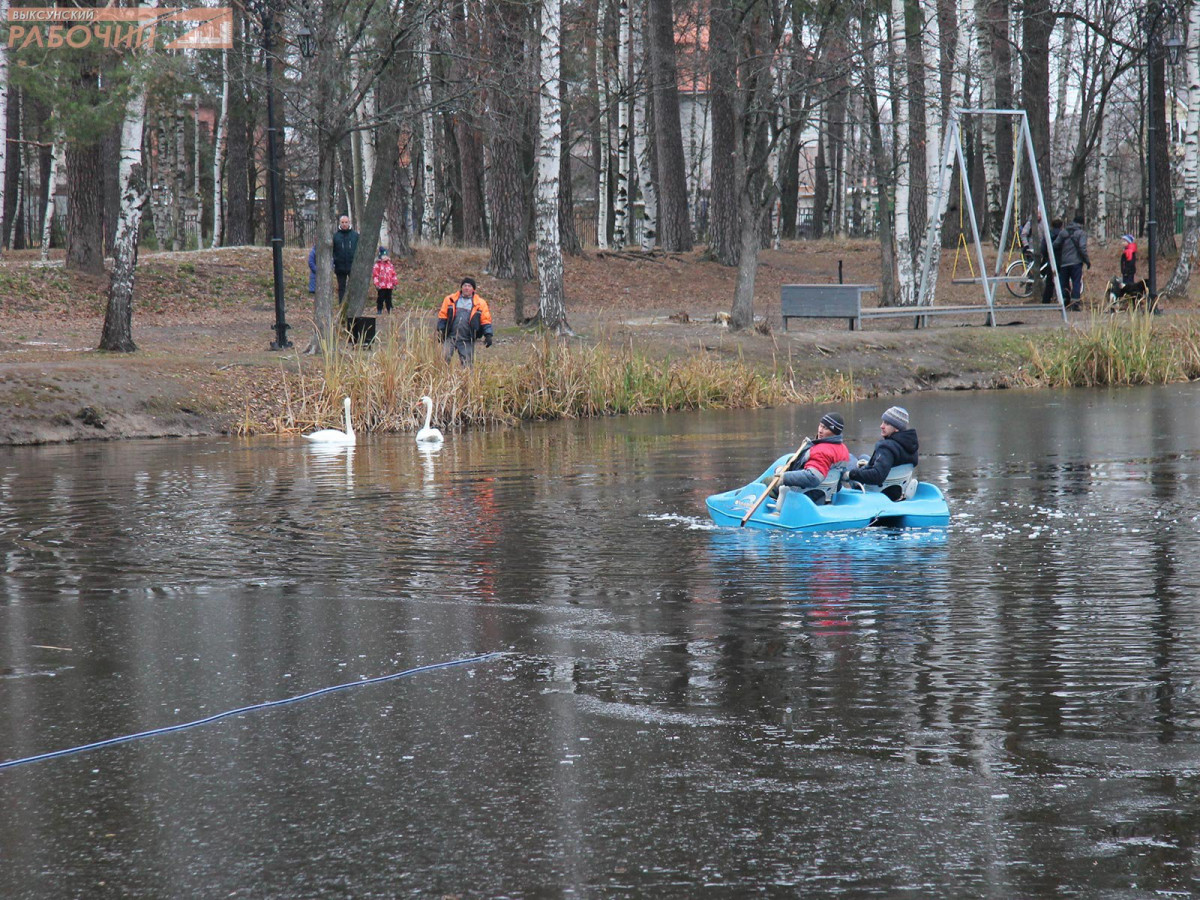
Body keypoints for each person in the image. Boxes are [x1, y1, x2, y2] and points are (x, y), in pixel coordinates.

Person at [772, 412, 852, 500]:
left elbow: (813, 477)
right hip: (826, 494)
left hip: (807, 494)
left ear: (834, 432)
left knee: (766, 482)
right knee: (791, 460)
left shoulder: (821, 451)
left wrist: (784, 477)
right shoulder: (843, 449)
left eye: (826, 428)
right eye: (821, 425)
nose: (820, 430)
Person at [847, 406, 919, 488]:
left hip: (880, 490)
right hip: (899, 488)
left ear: (896, 428)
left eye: (887, 424)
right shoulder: (912, 445)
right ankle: (864, 466)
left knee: (849, 458)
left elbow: (878, 476)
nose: (881, 426)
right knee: (863, 457)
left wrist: (851, 474)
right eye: (883, 422)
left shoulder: (886, 448)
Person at [437, 277, 494, 366]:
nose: (467, 288)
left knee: (467, 365)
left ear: (473, 289)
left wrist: (488, 335)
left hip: (467, 339)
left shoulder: (480, 303)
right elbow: (443, 316)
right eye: (465, 285)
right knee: (443, 360)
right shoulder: (450, 299)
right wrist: (441, 330)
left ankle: (467, 380)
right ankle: (442, 378)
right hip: (451, 337)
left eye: (469, 286)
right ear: (461, 287)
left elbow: (485, 320)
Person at [1054, 214, 1091, 311]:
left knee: (1064, 283)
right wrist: (1087, 261)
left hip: (1064, 262)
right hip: (1076, 262)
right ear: (1081, 224)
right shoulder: (1081, 233)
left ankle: (1064, 302)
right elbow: (1082, 248)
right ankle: (1075, 304)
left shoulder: (1063, 232)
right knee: (1076, 282)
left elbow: (1055, 244)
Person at [332, 214, 359, 303]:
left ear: (349, 223)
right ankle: (342, 305)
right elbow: (333, 251)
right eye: (342, 222)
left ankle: (353, 304)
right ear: (339, 223)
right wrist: (335, 261)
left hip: (353, 266)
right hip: (340, 266)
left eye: (346, 222)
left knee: (354, 287)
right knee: (341, 287)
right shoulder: (335, 236)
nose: (344, 224)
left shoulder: (355, 236)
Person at [1040, 217, 1063, 304]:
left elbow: (1043, 248)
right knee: (1063, 280)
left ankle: (1046, 300)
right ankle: (1063, 299)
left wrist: (1047, 256)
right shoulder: (1063, 234)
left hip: (1051, 260)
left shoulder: (1048, 234)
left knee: (1049, 282)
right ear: (1061, 226)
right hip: (1062, 260)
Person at [372, 247, 397, 314]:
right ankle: (379, 309)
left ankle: (390, 309)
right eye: (383, 255)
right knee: (381, 298)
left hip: (389, 285)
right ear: (380, 256)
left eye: (386, 255)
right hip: (381, 285)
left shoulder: (390, 265)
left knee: (389, 298)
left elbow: (393, 274)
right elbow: (375, 275)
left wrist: (394, 283)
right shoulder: (377, 265)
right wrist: (376, 284)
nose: (385, 257)